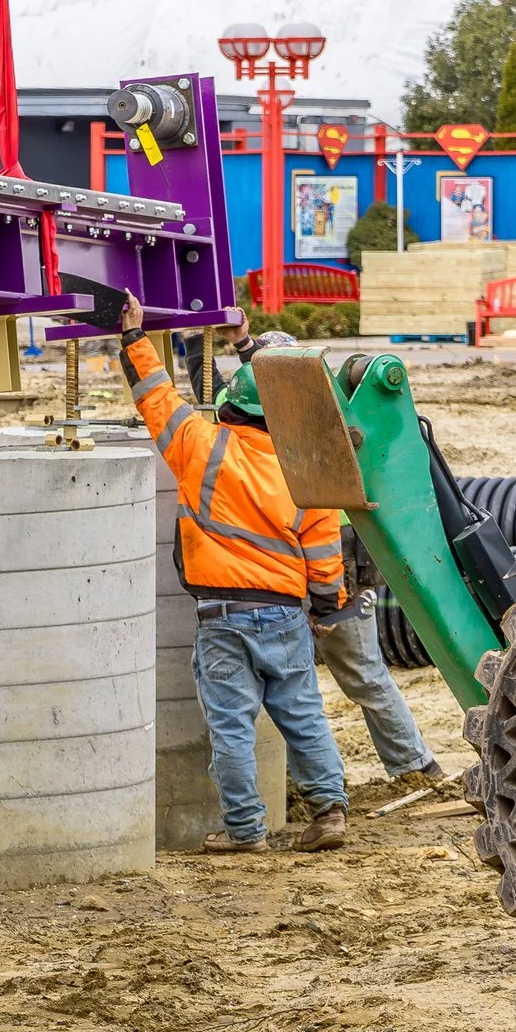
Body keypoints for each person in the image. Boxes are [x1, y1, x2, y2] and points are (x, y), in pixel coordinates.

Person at [115, 293, 350, 854]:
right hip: (286, 615)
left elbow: (157, 399)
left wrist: (133, 338)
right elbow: (324, 557)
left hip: (222, 616)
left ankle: (245, 832)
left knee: (231, 728)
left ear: (231, 408)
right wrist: (325, 610)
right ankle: (330, 810)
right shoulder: (305, 468)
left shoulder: (201, 447)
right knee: (302, 714)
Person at [227, 332, 442, 789]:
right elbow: (242, 391)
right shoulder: (278, 417)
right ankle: (302, 780)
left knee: (358, 674)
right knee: (286, 685)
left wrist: (330, 603)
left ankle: (416, 768)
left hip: (337, 570)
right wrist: (232, 343)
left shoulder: (318, 431)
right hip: (290, 573)